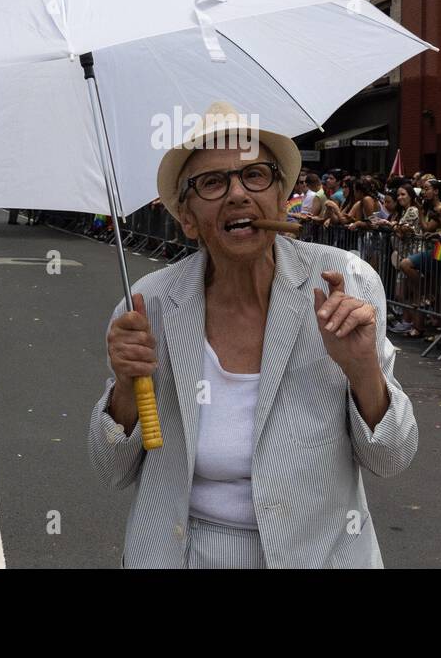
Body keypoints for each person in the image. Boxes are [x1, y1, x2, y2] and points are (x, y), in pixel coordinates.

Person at [89, 102, 418, 568]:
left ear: (282, 196)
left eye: (255, 175)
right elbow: (111, 469)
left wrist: (362, 367)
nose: (238, 194)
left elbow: (392, 457)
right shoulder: (148, 304)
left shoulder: (345, 281)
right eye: (212, 182)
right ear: (186, 218)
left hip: (319, 554)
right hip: (183, 555)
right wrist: (125, 385)